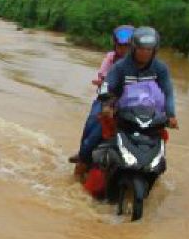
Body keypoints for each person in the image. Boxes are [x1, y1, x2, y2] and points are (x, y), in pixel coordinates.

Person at [76, 26, 178, 172]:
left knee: (159, 137)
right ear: (134, 48)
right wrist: (106, 105)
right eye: (141, 49)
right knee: (94, 127)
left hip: (144, 110)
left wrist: (171, 114)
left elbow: (168, 92)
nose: (145, 53)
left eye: (149, 50)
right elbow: (106, 86)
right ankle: (83, 161)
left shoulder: (160, 68)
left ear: (154, 51)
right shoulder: (120, 66)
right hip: (115, 105)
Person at [70, 25, 134, 170]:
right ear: (115, 45)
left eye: (128, 46)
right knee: (92, 127)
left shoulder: (142, 63)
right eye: (121, 46)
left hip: (131, 103)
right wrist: (104, 83)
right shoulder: (110, 58)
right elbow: (103, 76)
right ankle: (83, 158)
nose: (124, 50)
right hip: (107, 100)